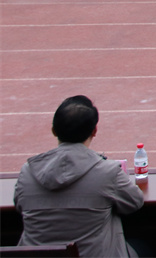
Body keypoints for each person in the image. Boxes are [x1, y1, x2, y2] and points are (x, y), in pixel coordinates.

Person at [14, 95, 144, 256]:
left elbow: (19, 204)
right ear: (94, 131)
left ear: (53, 130)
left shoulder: (27, 172)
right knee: (143, 247)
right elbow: (135, 202)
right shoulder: (107, 171)